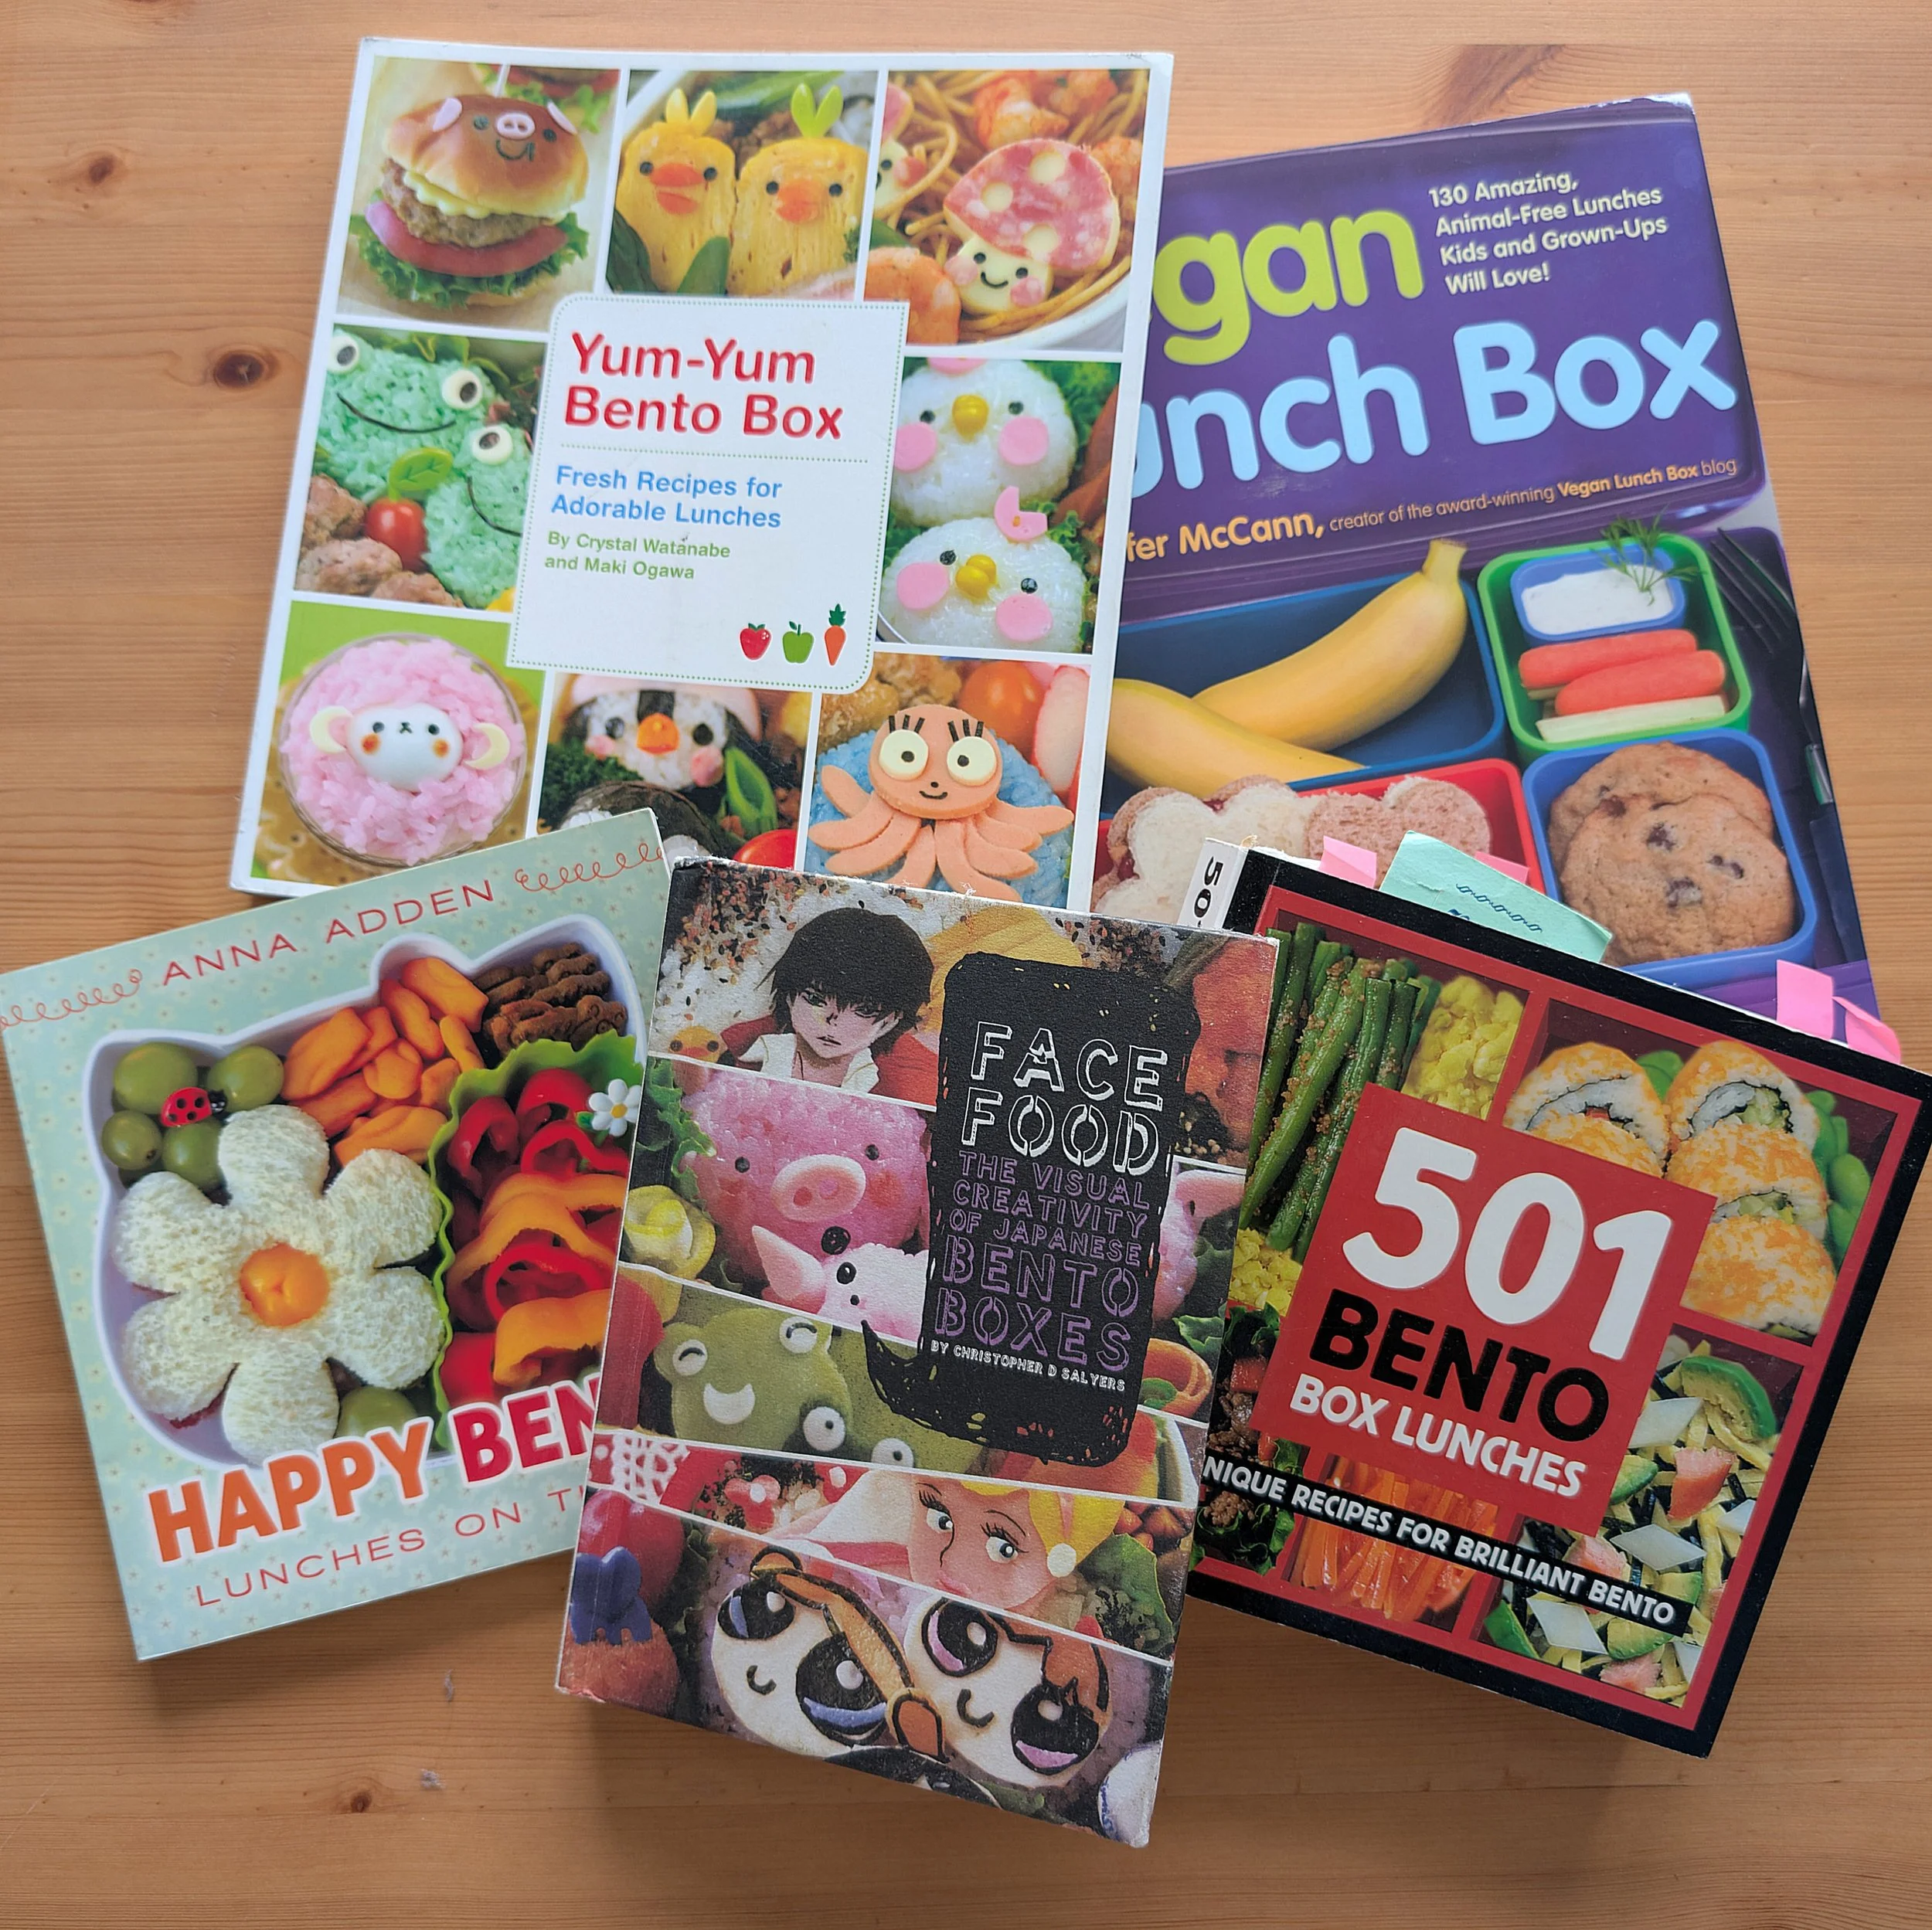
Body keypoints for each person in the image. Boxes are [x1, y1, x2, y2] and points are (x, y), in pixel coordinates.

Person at [734, 906, 933, 1092]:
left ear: (890, 1021)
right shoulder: (753, 1053)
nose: (832, 1020)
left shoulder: (890, 1085)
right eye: (815, 999)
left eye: (863, 1010)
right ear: (790, 997)